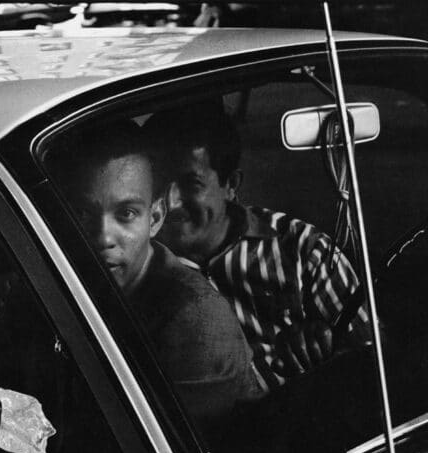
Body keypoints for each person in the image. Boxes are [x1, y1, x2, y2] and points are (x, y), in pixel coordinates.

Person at [144, 105, 371, 390]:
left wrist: (328, 350)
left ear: (231, 185)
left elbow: (373, 360)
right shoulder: (135, 265)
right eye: (159, 182)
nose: (171, 201)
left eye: (192, 184)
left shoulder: (304, 250)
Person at [54, 121, 261, 428]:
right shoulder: (44, 283)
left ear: (155, 218)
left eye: (126, 214)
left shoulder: (196, 324)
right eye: (83, 214)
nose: (102, 237)